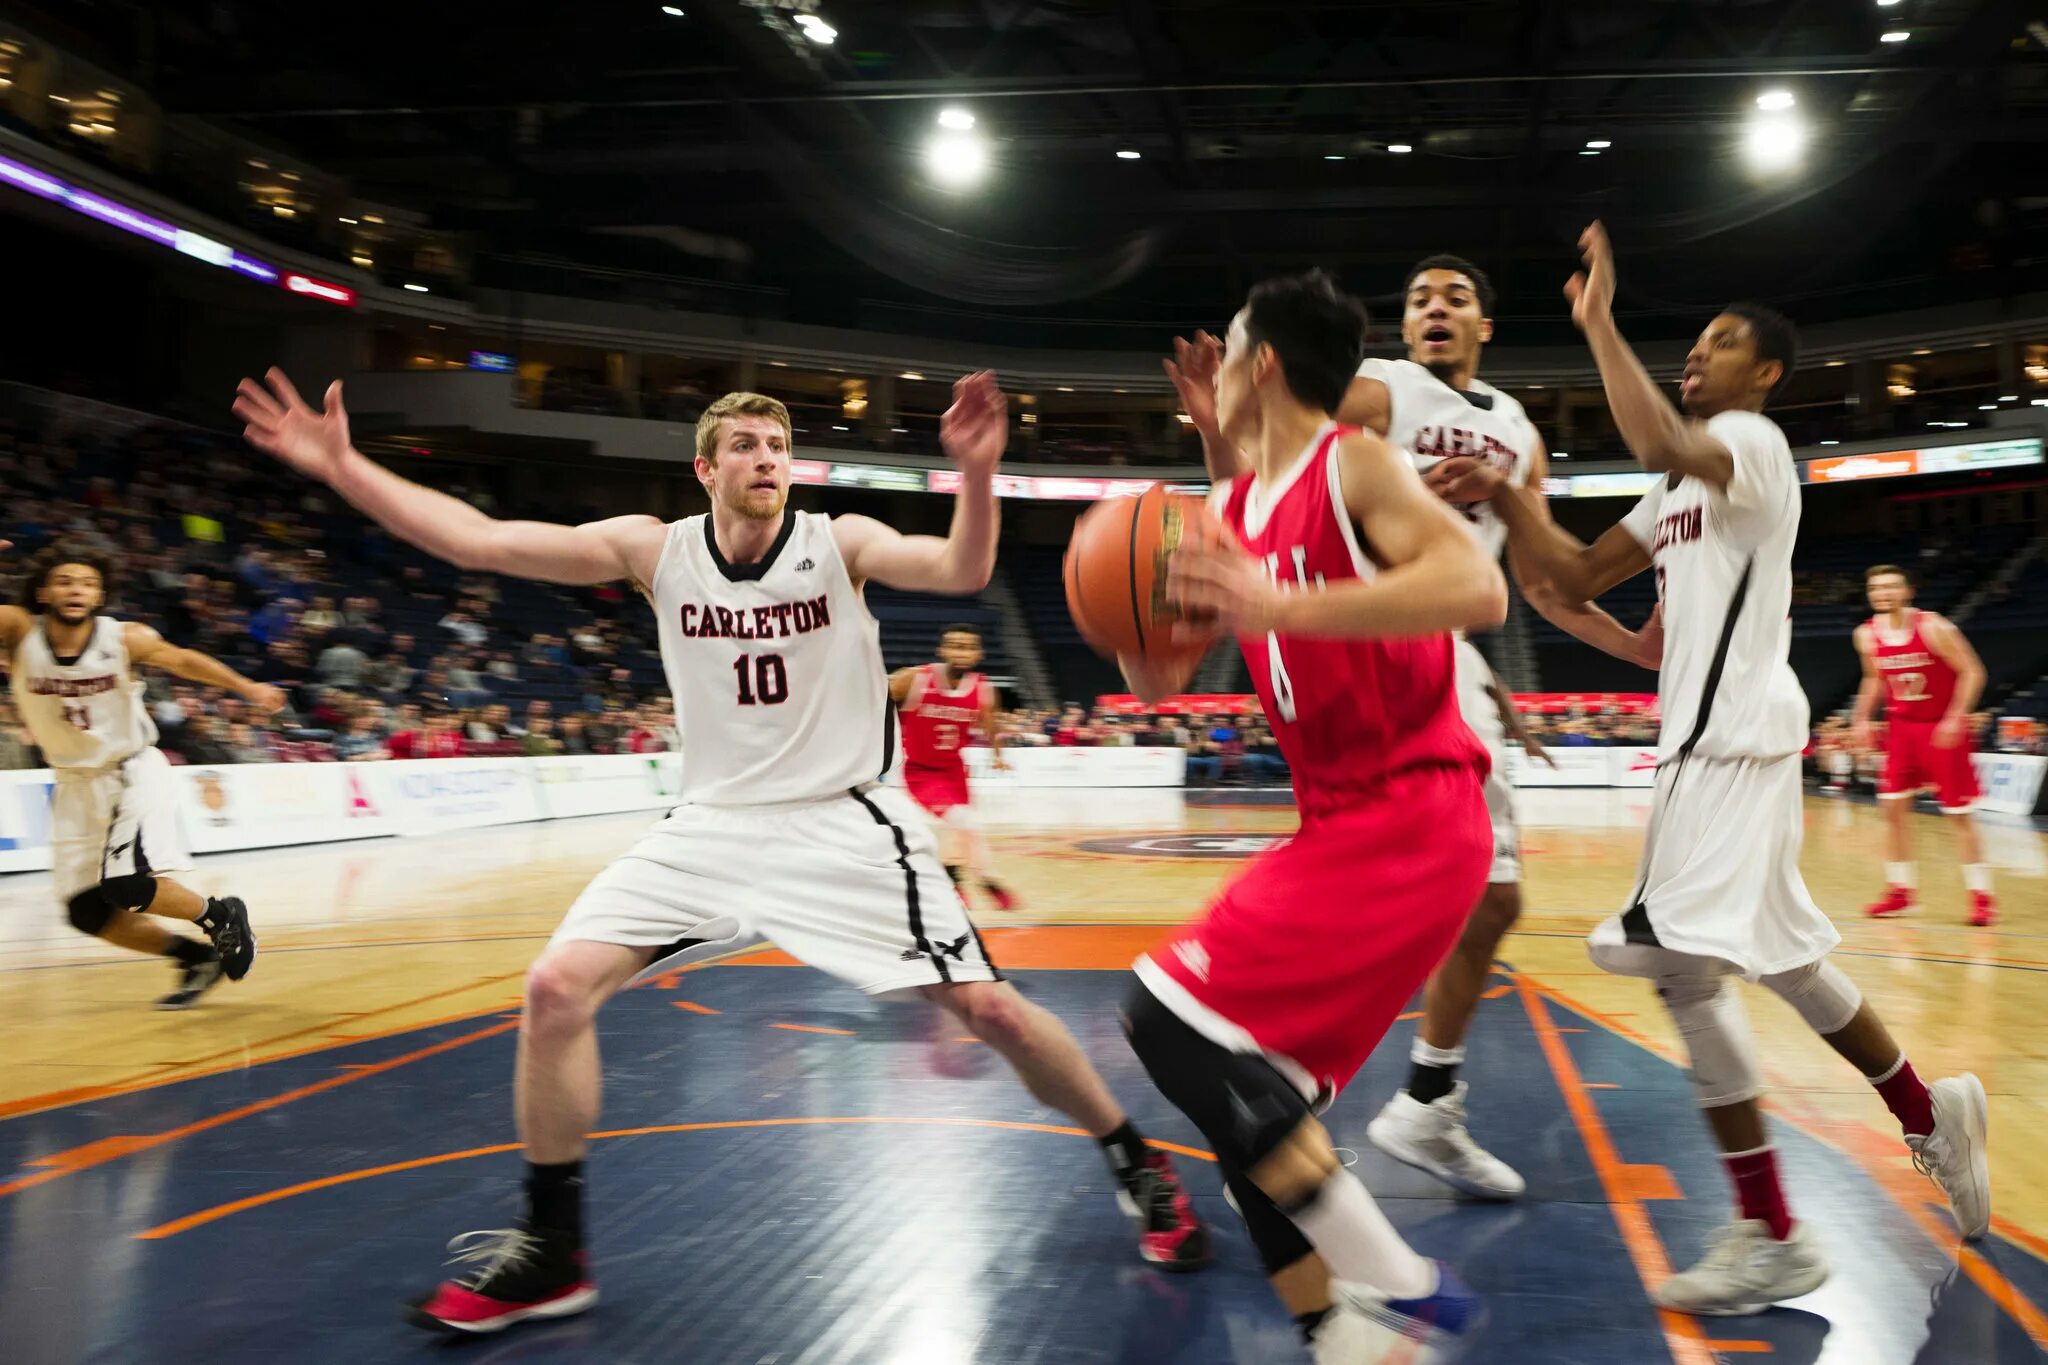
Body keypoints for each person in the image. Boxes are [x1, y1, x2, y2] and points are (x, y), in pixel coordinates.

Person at [234, 370, 1209, 1337]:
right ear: (704, 468)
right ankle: (553, 1252)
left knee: (987, 1006)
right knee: (554, 990)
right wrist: (343, 465)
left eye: (778, 448)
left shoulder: (840, 543)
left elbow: (959, 568)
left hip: (846, 823)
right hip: (711, 828)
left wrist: (978, 473)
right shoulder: (653, 551)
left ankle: (1133, 1159)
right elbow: (477, 541)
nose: (766, 460)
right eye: (744, 446)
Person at [1436, 222, 1989, 1315]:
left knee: (1681, 968)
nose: (1694, 356)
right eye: (1689, 344)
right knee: (1780, 960)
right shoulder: (1678, 495)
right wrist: (1505, 502)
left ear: (1763, 373)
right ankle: (1930, 1113)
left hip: (1723, 741)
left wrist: (1594, 321)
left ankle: (1771, 1235)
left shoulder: (1753, 447)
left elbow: (1657, 445)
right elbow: (1565, 579)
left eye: (1717, 343)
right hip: (1712, 742)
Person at [1169, 252, 1662, 1202]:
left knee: (1485, 896)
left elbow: (1540, 578)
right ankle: (1320, 1094)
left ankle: (1410, 1100)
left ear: (1487, 326)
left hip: (1449, 651)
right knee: (1398, 883)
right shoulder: (1381, 392)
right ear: (1400, 331)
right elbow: (1279, 464)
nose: (1436, 307)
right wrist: (1224, 425)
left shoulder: (1517, 427)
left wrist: (1623, 648)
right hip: (1368, 633)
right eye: (1419, 298)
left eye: (1458, 297)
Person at [1120, 270, 1504, 1362]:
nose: (1209, 366)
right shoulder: (1234, 505)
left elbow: (1476, 590)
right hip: (1341, 826)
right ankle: (1343, 1337)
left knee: (1163, 1018)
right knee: (1250, 1109)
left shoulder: (1353, 463)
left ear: (1264, 363)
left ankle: (1408, 1288)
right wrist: (1138, 596)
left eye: (1227, 346)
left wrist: (1287, 605)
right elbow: (1154, 681)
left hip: (1413, 813)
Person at [0, 540, 277, 1008]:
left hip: (131, 771)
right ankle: (194, 959)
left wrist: (247, 687)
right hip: (72, 782)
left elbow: (185, 660)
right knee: (88, 912)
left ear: (100, 596)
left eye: (88, 584)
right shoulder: (18, 629)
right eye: (65, 581)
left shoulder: (124, 638)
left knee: (125, 885)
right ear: (44, 592)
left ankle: (220, 915)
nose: (76, 590)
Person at [1851, 564, 1995, 925]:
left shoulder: (1934, 626)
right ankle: (1901, 892)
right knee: (1892, 812)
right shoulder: (1866, 635)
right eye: (1876, 588)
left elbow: (1973, 671)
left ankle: (1981, 898)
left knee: (1959, 816)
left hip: (1941, 728)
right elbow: (1874, 679)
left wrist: (1955, 716)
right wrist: (1861, 718)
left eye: (1890, 587)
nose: (1882, 594)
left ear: (1907, 592)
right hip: (1901, 729)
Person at [889, 624, 1020, 912]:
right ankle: (984, 881)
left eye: (968, 646)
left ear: (978, 653)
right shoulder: (913, 679)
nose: (961, 652)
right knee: (965, 823)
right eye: (954, 645)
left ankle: (956, 878)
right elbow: (873, 702)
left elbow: (991, 725)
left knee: (963, 828)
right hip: (920, 772)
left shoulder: (983, 689)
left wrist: (998, 754)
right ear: (942, 650)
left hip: (954, 771)